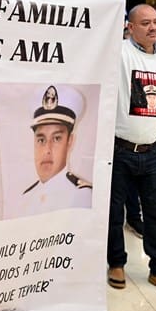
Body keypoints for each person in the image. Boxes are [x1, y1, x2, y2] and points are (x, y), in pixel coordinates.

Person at [108, 3, 156, 299]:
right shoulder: (117, 54)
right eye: (145, 23)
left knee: (155, 214)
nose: (153, 27)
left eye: (155, 22)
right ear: (130, 26)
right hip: (119, 148)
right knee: (114, 214)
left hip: (151, 151)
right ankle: (116, 263)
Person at [20, 84, 92, 215]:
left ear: (70, 141)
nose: (47, 150)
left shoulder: (82, 195)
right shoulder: (26, 197)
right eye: (41, 140)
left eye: (56, 138)